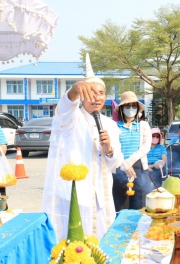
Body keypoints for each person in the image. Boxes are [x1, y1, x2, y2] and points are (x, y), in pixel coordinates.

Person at [42, 54, 123, 240]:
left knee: (102, 244)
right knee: (77, 244)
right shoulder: (72, 118)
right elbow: (65, 107)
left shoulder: (110, 124)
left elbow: (115, 163)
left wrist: (109, 149)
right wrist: (74, 90)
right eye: (91, 92)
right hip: (77, 195)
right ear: (83, 96)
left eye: (101, 93)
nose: (97, 97)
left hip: (102, 196)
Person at [112, 91, 152, 211]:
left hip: (138, 167)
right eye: (127, 106)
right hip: (119, 167)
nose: (131, 109)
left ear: (138, 109)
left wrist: (129, 162)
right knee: (119, 204)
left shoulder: (143, 125)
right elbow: (114, 147)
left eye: (133, 106)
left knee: (139, 204)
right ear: (122, 109)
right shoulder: (114, 126)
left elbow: (146, 146)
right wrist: (123, 164)